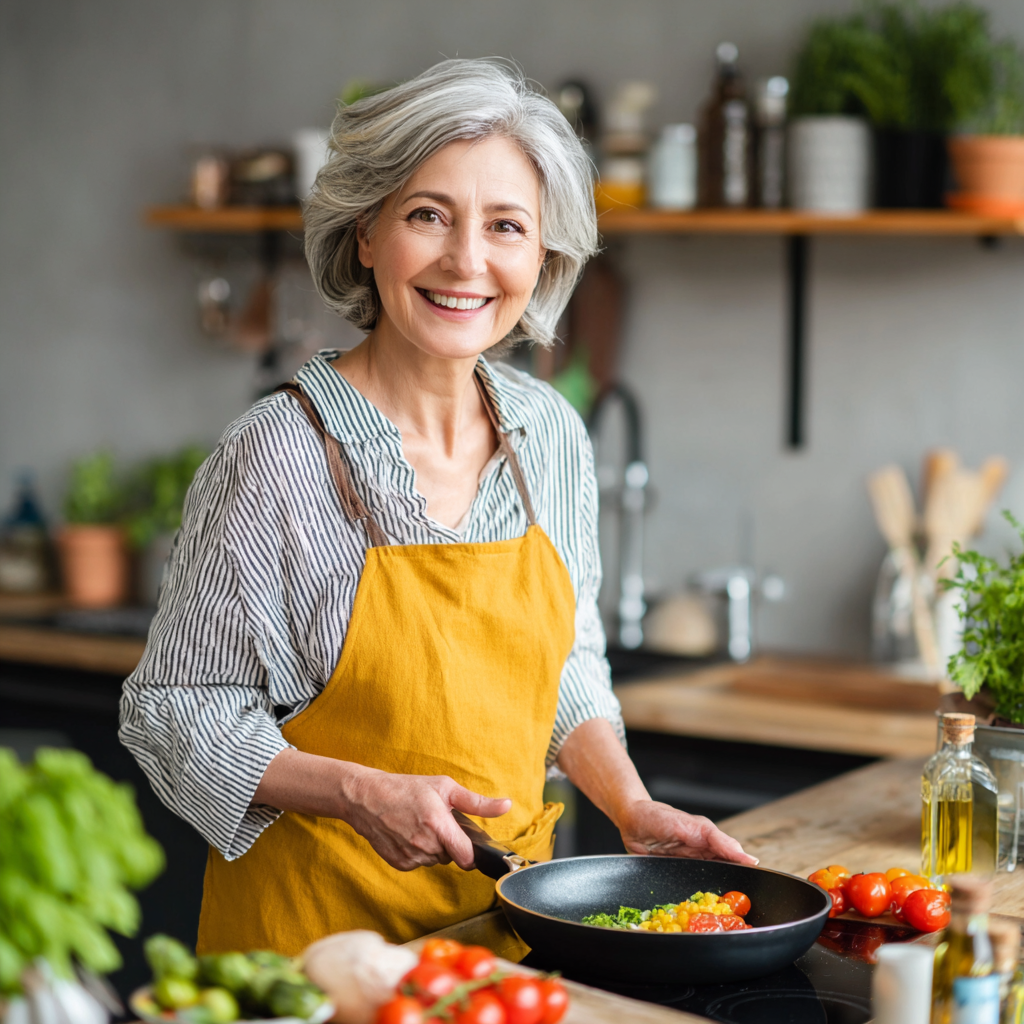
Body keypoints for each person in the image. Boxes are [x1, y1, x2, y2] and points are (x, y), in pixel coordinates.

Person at [120, 58, 756, 955]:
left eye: (506, 226)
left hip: (504, 952)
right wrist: (357, 792)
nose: (467, 261)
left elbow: (566, 662)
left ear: (543, 258)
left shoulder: (551, 435)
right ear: (367, 234)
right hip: (316, 959)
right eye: (429, 216)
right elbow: (173, 708)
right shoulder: (276, 456)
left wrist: (630, 802)